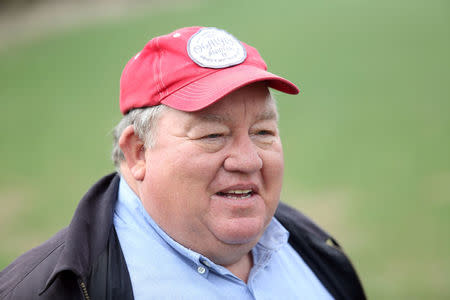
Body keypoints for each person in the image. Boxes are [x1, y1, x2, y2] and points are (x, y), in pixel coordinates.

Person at [0, 26, 365, 299]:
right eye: (213, 136)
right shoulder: (44, 290)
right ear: (138, 151)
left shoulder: (317, 251)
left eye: (263, 132)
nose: (249, 160)